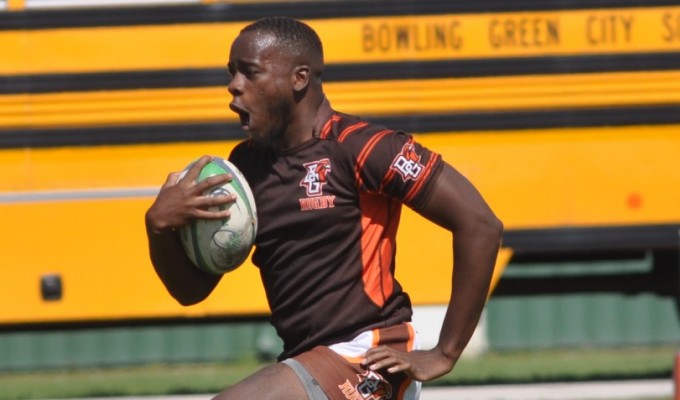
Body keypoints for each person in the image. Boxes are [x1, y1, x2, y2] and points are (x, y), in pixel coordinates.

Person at [145, 16, 503, 400]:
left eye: (249, 73)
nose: (234, 85)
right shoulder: (245, 167)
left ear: (299, 78)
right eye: (232, 73)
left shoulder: (364, 147)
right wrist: (159, 225)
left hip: (367, 357)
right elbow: (191, 292)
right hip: (306, 361)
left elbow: (480, 224)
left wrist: (445, 352)